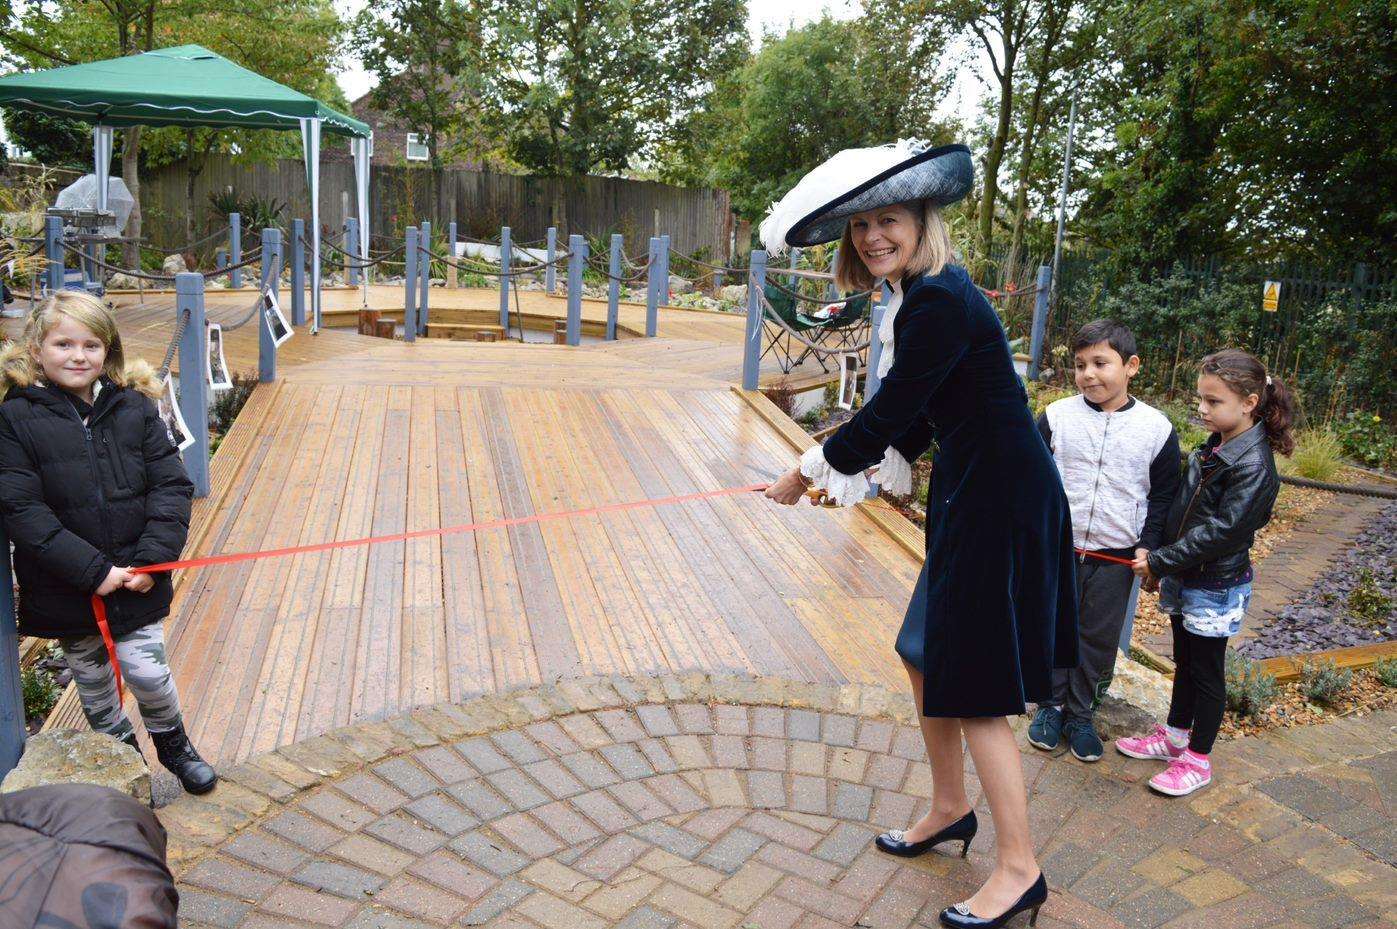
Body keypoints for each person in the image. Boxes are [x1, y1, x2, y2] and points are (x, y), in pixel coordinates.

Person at [761, 140, 1077, 929]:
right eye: (861, 225)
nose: (873, 236)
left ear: (921, 220)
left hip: (998, 504)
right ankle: (947, 807)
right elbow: (928, 409)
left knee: (973, 691)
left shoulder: (936, 297)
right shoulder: (915, 292)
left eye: (888, 219)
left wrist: (809, 468)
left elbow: (896, 406)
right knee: (922, 654)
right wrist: (865, 469)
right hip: (973, 494)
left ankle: (1019, 869)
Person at [0, 290, 217, 794]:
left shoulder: (133, 409)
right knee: (95, 691)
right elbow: (22, 508)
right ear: (36, 349)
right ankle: (128, 769)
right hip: (69, 587)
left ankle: (175, 747)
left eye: (91, 345)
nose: (78, 356)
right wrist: (92, 572)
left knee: (149, 675)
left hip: (136, 583)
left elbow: (170, 484)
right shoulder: (15, 419)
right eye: (64, 344)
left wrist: (152, 560)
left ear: (108, 352)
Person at [1117, 349, 1292, 797]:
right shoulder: (1216, 444)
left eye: (1213, 401)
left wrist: (1159, 561)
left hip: (1215, 585)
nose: (1202, 409)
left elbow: (1224, 531)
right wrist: (1161, 554)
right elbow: (1185, 508)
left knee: (1207, 672)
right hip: (1187, 574)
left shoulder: (1254, 464)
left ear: (1250, 402)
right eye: (1201, 399)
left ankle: (1198, 759)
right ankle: (1175, 737)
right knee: (1186, 662)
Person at [1027, 320, 1179, 762]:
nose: (1089, 374)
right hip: (1059, 548)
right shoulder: (1057, 417)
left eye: (1100, 363)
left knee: (1097, 636)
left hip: (1115, 555)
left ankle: (1081, 715)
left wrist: (1148, 546)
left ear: (1131, 366)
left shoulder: (1156, 429)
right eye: (1079, 365)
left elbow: (1163, 494)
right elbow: (1035, 479)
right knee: (1054, 626)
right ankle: (1050, 707)